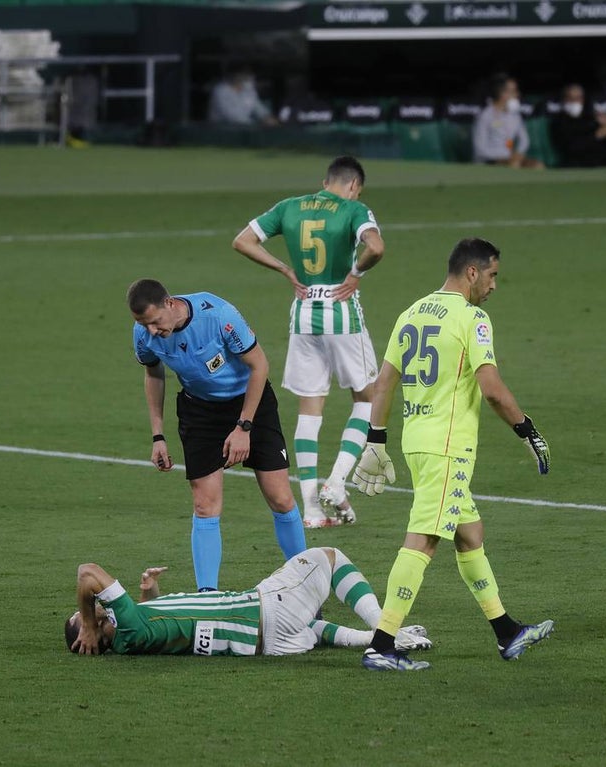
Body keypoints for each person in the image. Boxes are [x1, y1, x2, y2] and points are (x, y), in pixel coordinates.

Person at [349, 237, 554, 671]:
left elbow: (384, 382)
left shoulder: (412, 312)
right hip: (447, 447)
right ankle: (381, 645)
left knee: (469, 533)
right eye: (493, 275)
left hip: (418, 441)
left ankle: (507, 632)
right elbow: (492, 389)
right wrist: (528, 431)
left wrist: (376, 439)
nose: (495, 286)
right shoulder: (471, 318)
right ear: (473, 272)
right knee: (423, 541)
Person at [232, 156, 386, 528]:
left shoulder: (290, 207)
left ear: (325, 180)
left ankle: (312, 511)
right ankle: (336, 481)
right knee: (368, 397)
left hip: (302, 314)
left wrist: (285, 268)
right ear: (353, 185)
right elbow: (376, 247)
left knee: (308, 409)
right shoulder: (354, 208)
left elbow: (242, 241)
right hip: (341, 311)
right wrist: (356, 272)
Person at [128, 278, 307, 591]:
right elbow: (153, 373)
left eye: (155, 321)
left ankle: (308, 583)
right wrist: (158, 435)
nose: (152, 331)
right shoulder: (143, 334)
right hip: (200, 412)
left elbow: (260, 366)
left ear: (170, 304)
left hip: (250, 402)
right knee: (204, 505)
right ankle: (207, 596)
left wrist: (244, 427)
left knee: (280, 497)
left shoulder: (219, 316)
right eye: (145, 325)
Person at [65, 547, 433, 658]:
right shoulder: (127, 626)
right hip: (266, 611)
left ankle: (371, 640)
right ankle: (386, 633)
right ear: (89, 631)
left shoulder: (132, 632)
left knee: (314, 627)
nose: (92, 606)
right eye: (83, 614)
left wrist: (149, 595)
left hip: (273, 644)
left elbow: (168, 623)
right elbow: (87, 572)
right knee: (330, 557)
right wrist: (89, 622)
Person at [549, 84, 606, 168]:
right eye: (570, 98)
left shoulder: (591, 118)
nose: (574, 101)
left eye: (578, 98)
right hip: (577, 161)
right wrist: (597, 135)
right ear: (564, 99)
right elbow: (570, 148)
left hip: (601, 159)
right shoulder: (559, 122)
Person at [472, 74, 544, 169]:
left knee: (537, 165)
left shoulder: (515, 116)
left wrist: (518, 153)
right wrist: (504, 157)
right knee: (514, 165)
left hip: (510, 158)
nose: (517, 94)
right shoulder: (485, 115)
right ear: (502, 94)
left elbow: (524, 140)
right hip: (488, 161)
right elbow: (479, 150)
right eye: (513, 91)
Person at [207, 67, 278, 127]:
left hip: (243, 129)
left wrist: (267, 117)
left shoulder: (249, 91)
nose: (251, 80)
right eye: (246, 77)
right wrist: (257, 124)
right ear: (236, 77)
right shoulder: (221, 91)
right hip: (221, 129)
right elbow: (233, 117)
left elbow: (258, 107)